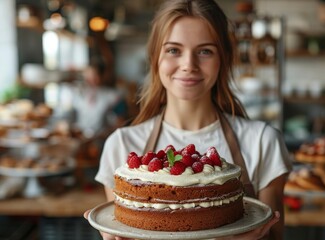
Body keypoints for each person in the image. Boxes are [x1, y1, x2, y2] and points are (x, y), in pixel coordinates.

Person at [85, 0, 292, 239]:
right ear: (155, 57)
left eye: (205, 51)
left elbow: (275, 235)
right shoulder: (120, 145)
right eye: (173, 50)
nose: (188, 65)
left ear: (223, 59)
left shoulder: (263, 142)